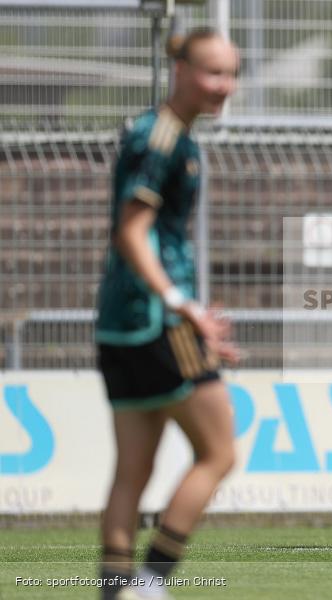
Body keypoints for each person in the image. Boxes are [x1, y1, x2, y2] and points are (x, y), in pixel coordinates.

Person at [94, 28, 240, 600]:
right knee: (219, 452)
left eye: (230, 73)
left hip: (119, 320)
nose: (223, 85)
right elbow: (131, 233)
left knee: (133, 467)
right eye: (211, 72)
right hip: (158, 319)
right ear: (178, 68)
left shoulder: (164, 133)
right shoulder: (165, 140)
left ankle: (115, 589)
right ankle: (150, 582)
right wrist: (185, 307)